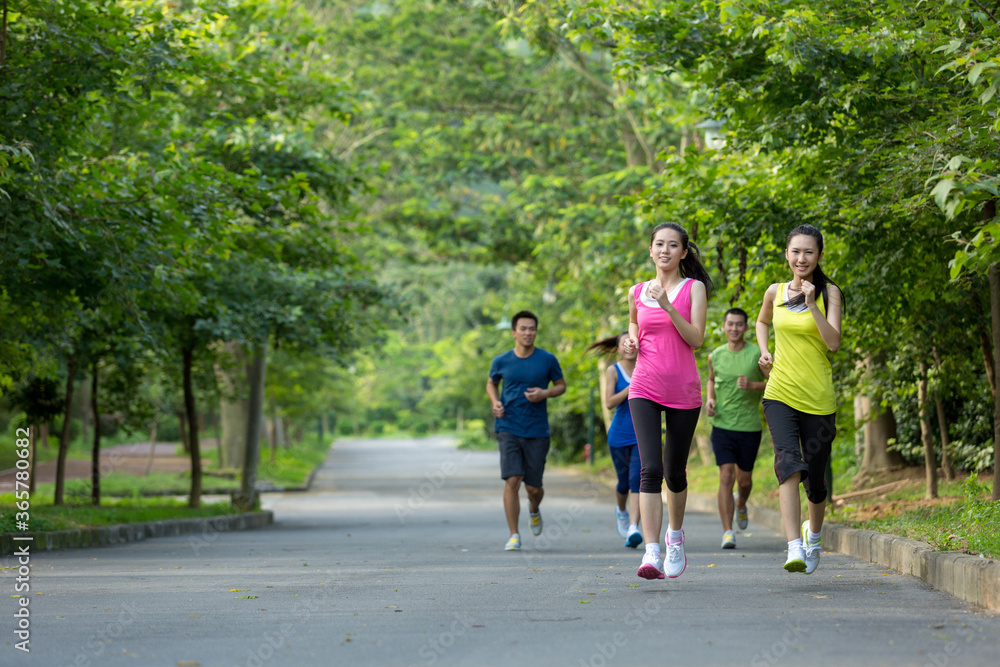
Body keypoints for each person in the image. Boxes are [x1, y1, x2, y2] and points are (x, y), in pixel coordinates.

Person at [621, 223, 712, 580]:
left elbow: (697, 338)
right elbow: (633, 325)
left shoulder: (694, 289)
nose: (665, 250)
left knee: (674, 473)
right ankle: (652, 551)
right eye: (659, 244)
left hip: (683, 390)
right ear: (651, 250)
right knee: (650, 469)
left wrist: (668, 306)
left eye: (673, 245)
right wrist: (630, 342)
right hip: (644, 386)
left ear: (683, 253)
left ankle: (675, 538)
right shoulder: (636, 291)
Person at [755, 224, 842, 575]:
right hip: (779, 393)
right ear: (786, 254)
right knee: (788, 463)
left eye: (808, 252)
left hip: (818, 398)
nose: (801, 258)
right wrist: (764, 352)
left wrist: (811, 305)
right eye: (795, 251)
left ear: (819, 255)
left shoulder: (829, 293)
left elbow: (833, 342)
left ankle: (814, 536)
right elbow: (762, 322)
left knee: (816, 480)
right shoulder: (774, 292)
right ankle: (793, 545)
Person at [486, 311, 566, 551]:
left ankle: (534, 508)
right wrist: (495, 402)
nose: (528, 333)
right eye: (523, 329)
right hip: (508, 426)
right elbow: (492, 382)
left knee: (533, 487)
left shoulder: (547, 359)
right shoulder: (501, 361)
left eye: (532, 329)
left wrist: (545, 393)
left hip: (537, 429)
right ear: (514, 332)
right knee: (512, 479)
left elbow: (561, 385)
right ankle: (514, 535)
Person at [705, 308, 767, 550]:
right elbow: (711, 380)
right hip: (722, 424)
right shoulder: (715, 355)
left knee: (744, 481)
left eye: (739, 324)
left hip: (749, 426)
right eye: (730, 324)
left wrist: (753, 385)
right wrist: (710, 399)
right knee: (726, 475)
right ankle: (727, 531)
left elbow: (773, 381)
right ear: (723, 326)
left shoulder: (756, 354)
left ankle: (741, 503)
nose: (734, 328)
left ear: (746, 328)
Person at [587, 333, 643, 549]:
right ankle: (621, 511)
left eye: (633, 342)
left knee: (636, 479)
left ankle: (633, 528)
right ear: (618, 348)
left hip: (642, 433)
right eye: (624, 343)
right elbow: (609, 402)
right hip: (619, 433)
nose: (629, 346)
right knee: (623, 483)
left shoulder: (646, 366)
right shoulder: (613, 370)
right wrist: (631, 388)